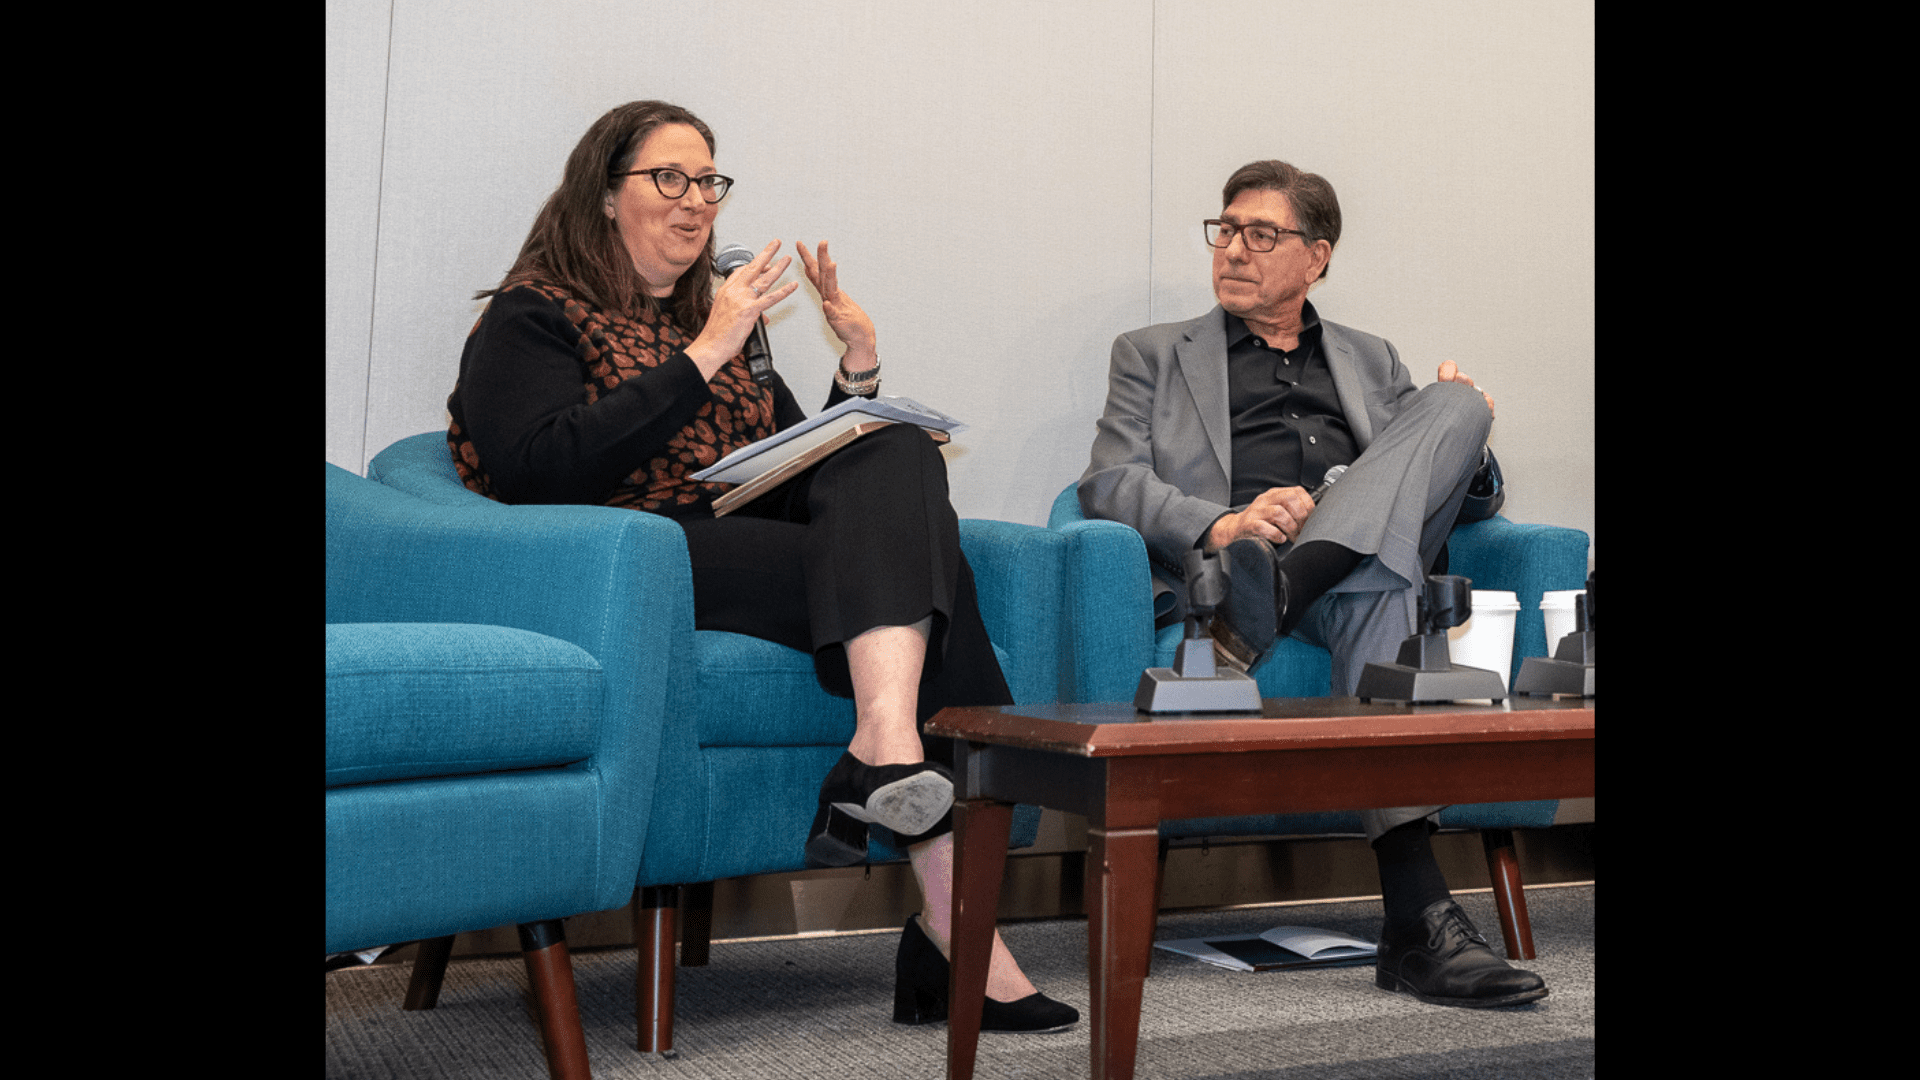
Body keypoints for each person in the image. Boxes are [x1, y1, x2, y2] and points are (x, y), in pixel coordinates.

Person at [445, 100, 1075, 1033]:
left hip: (748, 540)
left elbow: (798, 461)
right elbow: (539, 469)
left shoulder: (721, 321)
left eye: (709, 181)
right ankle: (953, 926)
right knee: (928, 583)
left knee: (895, 456)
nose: (697, 201)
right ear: (603, 195)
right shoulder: (534, 317)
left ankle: (886, 748)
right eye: (670, 178)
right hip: (636, 556)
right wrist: (705, 354)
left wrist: (857, 378)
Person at [1077, 159, 1548, 1009]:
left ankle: (1289, 587)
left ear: (1317, 257)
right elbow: (1107, 483)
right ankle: (1417, 919)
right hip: (1231, 570)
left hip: (1320, 572)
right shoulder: (1151, 353)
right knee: (1386, 587)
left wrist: (1465, 442)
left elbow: (1464, 496)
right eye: (1226, 229)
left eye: (1264, 234)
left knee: (1458, 408)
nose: (1234, 249)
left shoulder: (1373, 358)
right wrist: (1224, 524)